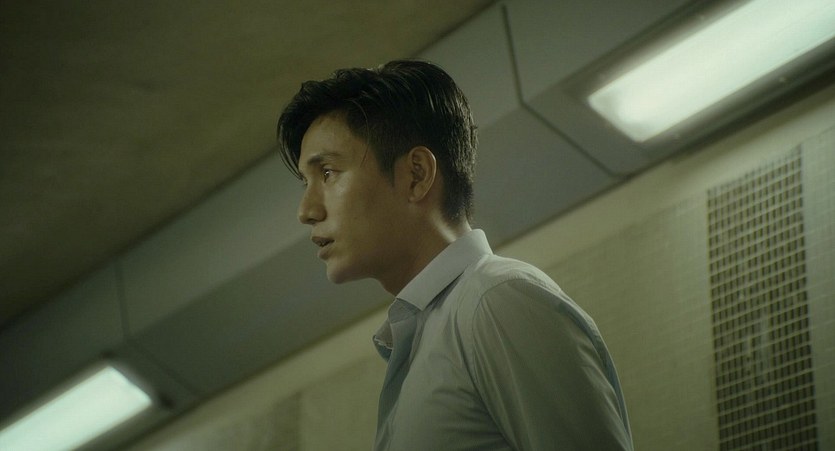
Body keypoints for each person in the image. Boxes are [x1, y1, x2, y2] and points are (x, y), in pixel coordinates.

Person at [276, 59, 633, 450]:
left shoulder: (496, 301)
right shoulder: (427, 338)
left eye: (328, 173)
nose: (306, 211)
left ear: (416, 174)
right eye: (306, 182)